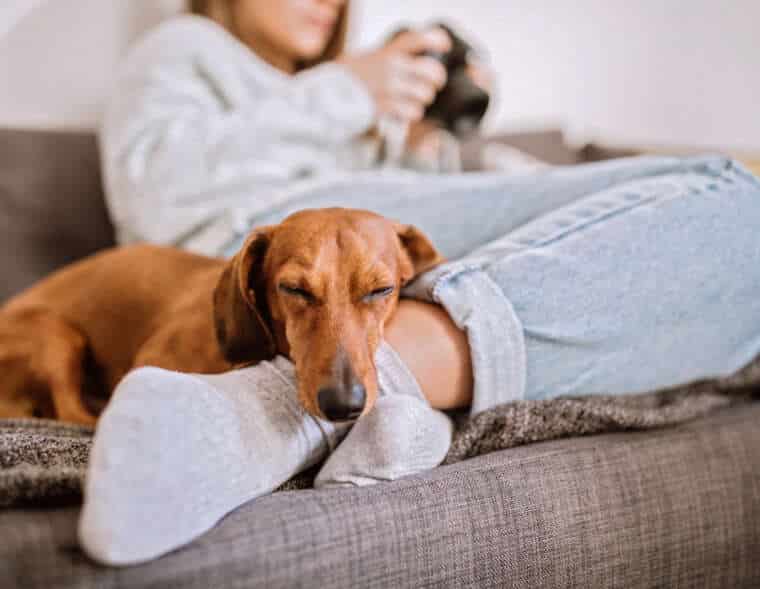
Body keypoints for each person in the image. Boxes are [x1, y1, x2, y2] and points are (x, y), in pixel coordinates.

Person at [81, 0, 760, 565]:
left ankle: (383, 391)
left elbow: (437, 273)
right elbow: (156, 201)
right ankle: (286, 409)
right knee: (735, 201)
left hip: (377, 246)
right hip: (267, 232)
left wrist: (424, 139)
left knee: (734, 223)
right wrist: (347, 91)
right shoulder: (184, 49)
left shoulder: (338, 94)